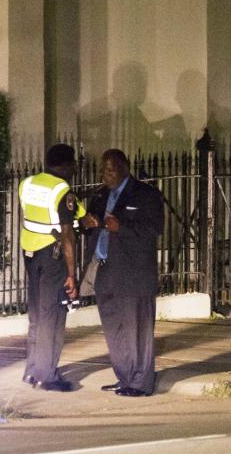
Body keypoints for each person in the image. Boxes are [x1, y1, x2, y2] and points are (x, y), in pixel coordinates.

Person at [80, 149, 164, 397]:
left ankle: (141, 382)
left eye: (110, 169)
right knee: (114, 329)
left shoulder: (146, 194)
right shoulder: (100, 195)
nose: (105, 175)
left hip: (134, 274)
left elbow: (154, 229)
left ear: (125, 168)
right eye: (103, 170)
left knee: (137, 330)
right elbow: (90, 226)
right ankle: (125, 377)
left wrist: (122, 227)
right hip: (105, 271)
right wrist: (86, 224)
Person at [18, 143, 82, 392]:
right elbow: (67, 235)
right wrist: (72, 275)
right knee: (52, 317)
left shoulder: (27, 183)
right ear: (67, 165)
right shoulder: (61, 190)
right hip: (52, 256)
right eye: (74, 164)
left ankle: (32, 371)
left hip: (29, 254)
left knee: (36, 315)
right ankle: (48, 376)